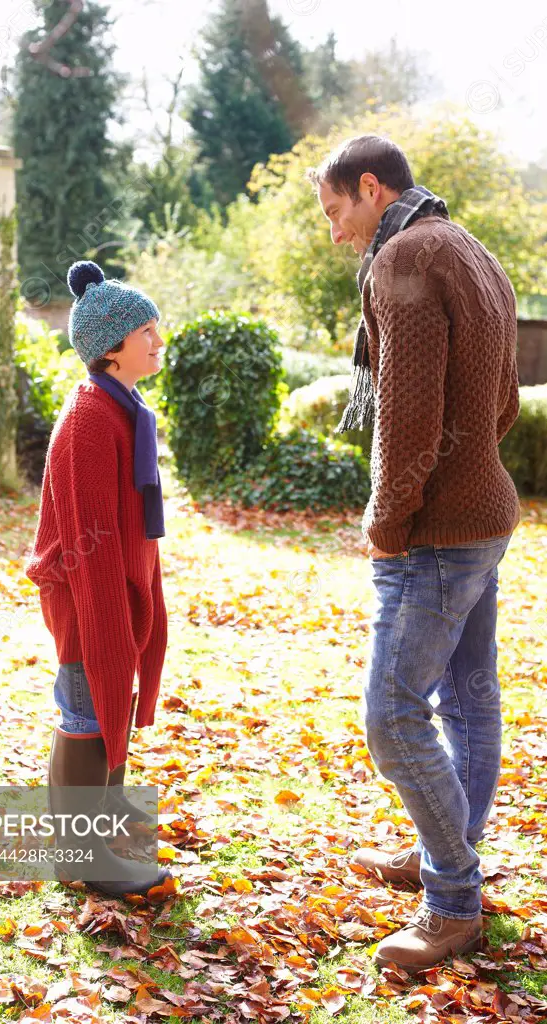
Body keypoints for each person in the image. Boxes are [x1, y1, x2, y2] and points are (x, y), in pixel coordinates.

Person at [306, 135, 521, 972]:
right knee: (467, 701)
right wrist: (469, 469)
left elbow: (404, 416)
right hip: (484, 508)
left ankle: (452, 901)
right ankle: (443, 856)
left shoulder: (402, 259)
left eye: (335, 213)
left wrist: (387, 520)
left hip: (435, 531)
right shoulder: (466, 246)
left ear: (369, 188)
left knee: (393, 716)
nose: (336, 235)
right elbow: (499, 398)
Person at [25, 259, 172, 899]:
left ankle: (89, 844)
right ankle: (89, 859)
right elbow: (87, 540)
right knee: (86, 709)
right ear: (112, 348)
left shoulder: (124, 407)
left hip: (117, 586)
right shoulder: (90, 418)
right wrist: (106, 617)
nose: (158, 341)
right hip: (89, 593)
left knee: (99, 705)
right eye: (147, 332)